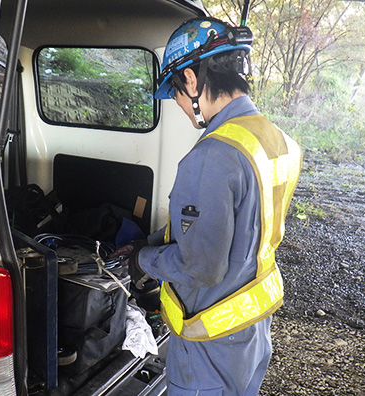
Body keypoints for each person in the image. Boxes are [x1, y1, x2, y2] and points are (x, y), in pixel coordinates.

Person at [120, 17, 302, 395]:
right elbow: (243, 224)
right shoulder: (278, 140)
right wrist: (154, 240)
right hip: (250, 331)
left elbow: (201, 266)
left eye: (176, 95)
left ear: (191, 79)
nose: (182, 109)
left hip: (210, 344)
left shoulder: (213, 155)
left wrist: (143, 261)